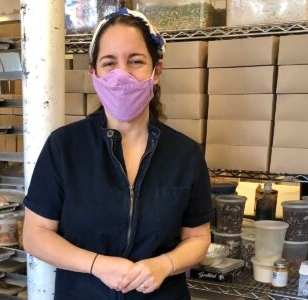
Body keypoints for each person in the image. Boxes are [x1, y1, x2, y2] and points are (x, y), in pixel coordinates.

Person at [23, 7, 212, 300]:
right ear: (94, 74)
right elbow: (35, 235)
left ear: (156, 71)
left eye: (135, 61)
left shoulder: (185, 154)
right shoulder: (64, 147)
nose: (121, 74)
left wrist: (166, 264)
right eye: (109, 63)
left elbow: (198, 237)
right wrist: (97, 265)